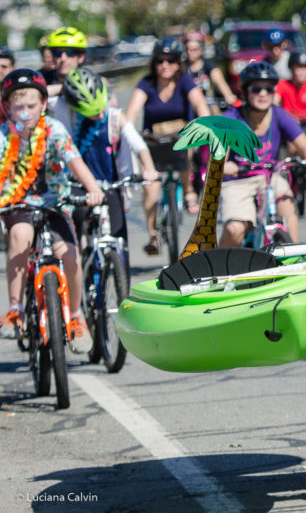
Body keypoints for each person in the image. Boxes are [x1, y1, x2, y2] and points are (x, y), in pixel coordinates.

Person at [0, 69, 105, 350]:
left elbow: (74, 161)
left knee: (69, 254)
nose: (25, 113)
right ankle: (15, 311)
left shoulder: (54, 129)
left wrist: (93, 189)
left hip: (55, 203)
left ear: (43, 104)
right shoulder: (3, 136)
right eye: (18, 107)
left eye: (31, 106)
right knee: (20, 236)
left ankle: (75, 317)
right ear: (7, 108)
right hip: (18, 204)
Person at [60, 67, 160, 275]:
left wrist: (149, 167)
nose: (99, 114)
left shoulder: (115, 117)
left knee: (119, 236)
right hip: (80, 186)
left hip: (110, 184)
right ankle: (77, 271)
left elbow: (138, 143)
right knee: (76, 222)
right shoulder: (68, 117)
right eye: (92, 111)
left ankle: (121, 280)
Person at [218, 62, 306, 247]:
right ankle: (220, 269)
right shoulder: (232, 117)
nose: (263, 94)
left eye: (269, 89)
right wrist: (224, 165)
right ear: (245, 91)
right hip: (238, 179)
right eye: (256, 89)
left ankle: (293, 259)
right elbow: (219, 153)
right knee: (234, 229)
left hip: (269, 176)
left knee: (287, 203)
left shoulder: (278, 114)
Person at [124, 37, 210, 255]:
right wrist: (127, 131)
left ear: (178, 62)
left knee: (188, 145)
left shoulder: (185, 81)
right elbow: (132, 113)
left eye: (171, 60)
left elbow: (200, 104)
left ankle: (189, 189)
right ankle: (153, 235)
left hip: (181, 140)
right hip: (153, 144)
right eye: (160, 60)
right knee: (150, 188)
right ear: (154, 62)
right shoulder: (146, 83)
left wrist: (207, 124)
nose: (165, 65)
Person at [183, 30, 237, 111]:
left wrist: (228, 96)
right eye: (187, 49)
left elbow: (219, 81)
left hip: (208, 106)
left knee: (214, 110)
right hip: (189, 106)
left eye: (194, 49)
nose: (190, 52)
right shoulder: (182, 67)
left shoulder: (208, 64)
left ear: (201, 50)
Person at [44, 26, 88, 97]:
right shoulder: (42, 79)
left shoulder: (91, 81)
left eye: (70, 53)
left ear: (81, 57)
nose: (63, 58)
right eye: (58, 53)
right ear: (52, 57)